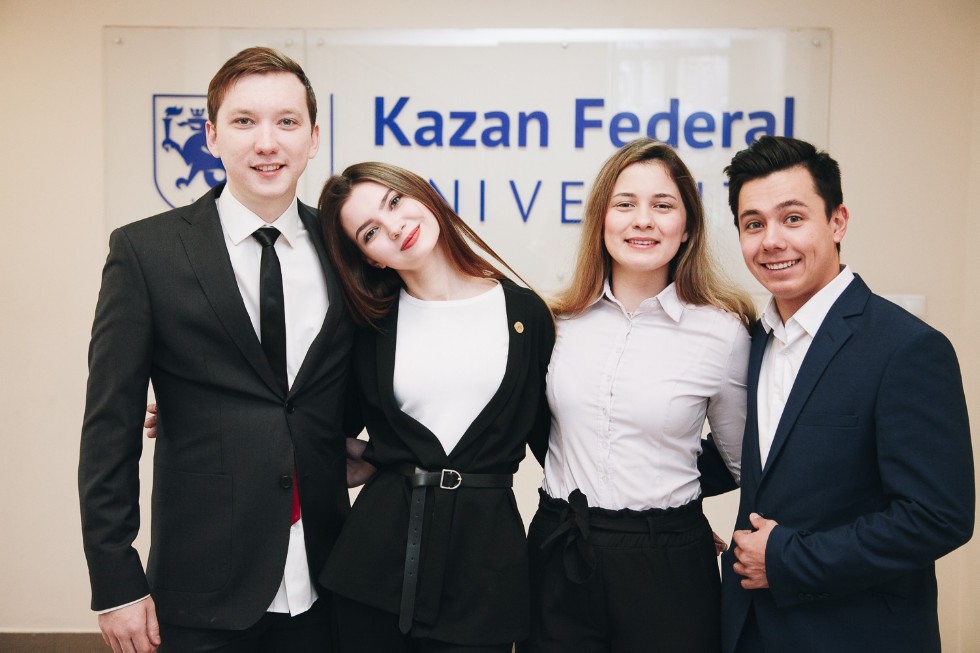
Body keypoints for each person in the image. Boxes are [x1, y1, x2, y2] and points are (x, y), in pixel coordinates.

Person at [78, 47, 355, 652]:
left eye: (287, 122)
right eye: (244, 120)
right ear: (211, 136)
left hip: (330, 579)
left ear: (313, 138)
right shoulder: (145, 252)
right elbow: (109, 427)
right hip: (200, 585)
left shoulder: (348, 249)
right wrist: (115, 581)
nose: (267, 142)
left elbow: (361, 386)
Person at [720, 136, 975, 652]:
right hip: (749, 632)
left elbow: (938, 517)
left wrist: (787, 558)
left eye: (793, 218)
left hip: (854, 634)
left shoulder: (907, 347)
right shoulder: (751, 340)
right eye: (754, 224)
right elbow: (751, 457)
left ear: (837, 222)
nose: (772, 241)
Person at [521, 138, 756, 653]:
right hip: (562, 547)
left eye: (663, 205)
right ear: (601, 221)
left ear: (687, 226)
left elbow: (743, 460)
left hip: (666, 562)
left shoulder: (722, 332)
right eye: (625, 204)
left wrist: (671, 507)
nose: (642, 220)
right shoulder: (556, 322)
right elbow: (549, 432)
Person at [315, 162, 554, 653]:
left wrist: (653, 512)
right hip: (373, 570)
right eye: (370, 232)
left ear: (422, 194)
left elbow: (561, 445)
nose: (394, 226)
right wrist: (205, 413)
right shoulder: (368, 327)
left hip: (484, 572)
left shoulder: (525, 314)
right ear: (370, 259)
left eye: (395, 202)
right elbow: (308, 418)